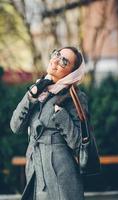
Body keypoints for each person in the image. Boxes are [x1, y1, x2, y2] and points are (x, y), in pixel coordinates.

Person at [10, 46, 88, 200]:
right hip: (35, 171)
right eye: (57, 55)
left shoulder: (75, 97)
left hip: (61, 175)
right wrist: (31, 94)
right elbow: (15, 127)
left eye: (64, 61)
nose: (56, 61)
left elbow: (78, 144)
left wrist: (61, 116)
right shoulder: (39, 91)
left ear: (72, 72)